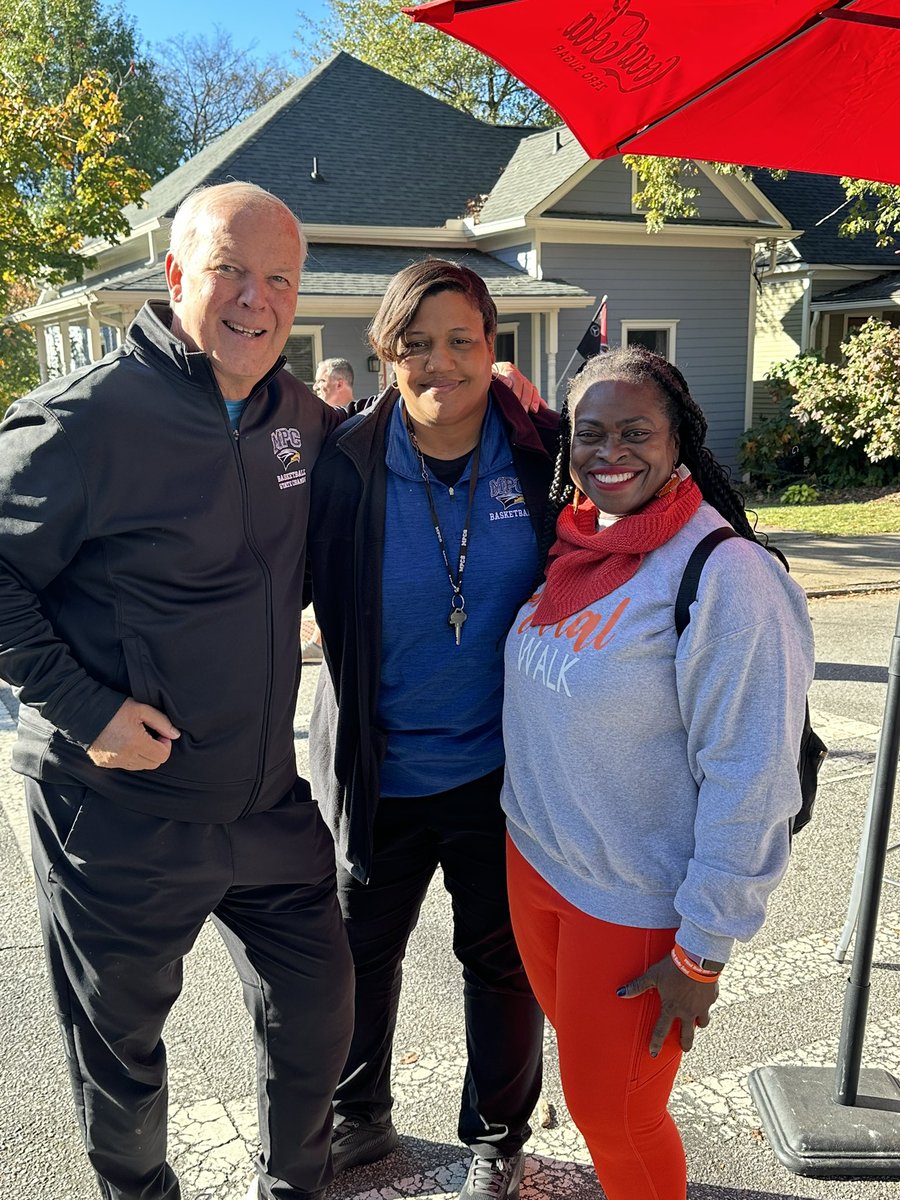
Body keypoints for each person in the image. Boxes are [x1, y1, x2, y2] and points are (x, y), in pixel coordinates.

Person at [0, 182, 355, 1200]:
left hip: (262, 798)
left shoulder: (299, 417)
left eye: (279, 278)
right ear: (173, 275)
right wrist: (87, 707)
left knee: (319, 1001)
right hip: (117, 809)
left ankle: (294, 1185)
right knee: (120, 1051)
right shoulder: (88, 419)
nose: (257, 299)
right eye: (230, 271)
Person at [500, 346, 816, 1200]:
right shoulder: (575, 546)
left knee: (617, 1116)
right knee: (599, 1090)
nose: (611, 452)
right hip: (540, 871)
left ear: (679, 443)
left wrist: (703, 950)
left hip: (637, 904)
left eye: (636, 432)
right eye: (590, 433)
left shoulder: (726, 577)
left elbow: (752, 777)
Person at [307, 260, 555, 1200]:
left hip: (503, 775)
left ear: (494, 349)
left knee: (500, 964)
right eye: (417, 344)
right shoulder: (345, 464)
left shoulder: (545, 457)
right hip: (378, 771)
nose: (440, 362)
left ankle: (497, 1137)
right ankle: (358, 1115)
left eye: (462, 341)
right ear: (387, 354)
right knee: (358, 957)